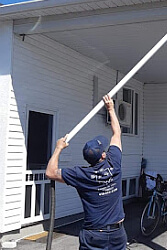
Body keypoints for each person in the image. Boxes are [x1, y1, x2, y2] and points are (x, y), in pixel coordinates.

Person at [46, 95, 127, 250]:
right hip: (117, 232)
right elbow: (117, 133)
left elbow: (50, 172)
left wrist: (58, 148)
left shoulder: (81, 175)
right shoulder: (114, 163)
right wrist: (110, 108)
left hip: (94, 234)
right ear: (103, 155)